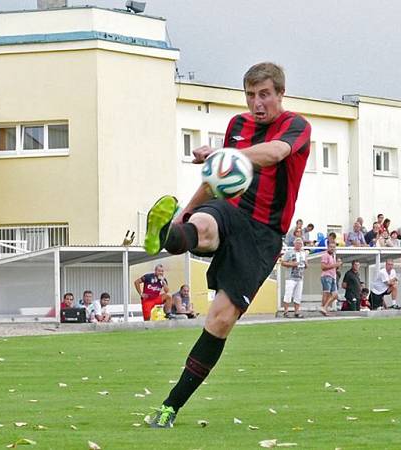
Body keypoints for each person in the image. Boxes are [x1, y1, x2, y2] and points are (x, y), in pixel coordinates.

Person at [142, 62, 311, 428]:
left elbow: (275, 153)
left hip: (263, 235)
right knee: (201, 224)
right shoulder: (237, 126)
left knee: (219, 321)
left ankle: (170, 406)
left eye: (264, 94)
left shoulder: (296, 126)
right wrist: (184, 212)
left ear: (280, 93)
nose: (257, 103)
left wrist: (224, 156)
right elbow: (218, 178)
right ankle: (168, 235)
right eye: (250, 95)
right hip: (231, 211)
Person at [281, 237, 308, 318]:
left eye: (300, 243)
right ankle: (286, 311)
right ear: (294, 244)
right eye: (297, 243)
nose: (299, 245)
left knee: (298, 295)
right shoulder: (289, 252)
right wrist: (292, 264)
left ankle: (296, 311)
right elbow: (283, 262)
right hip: (290, 277)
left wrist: (305, 264)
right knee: (288, 294)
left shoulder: (303, 253)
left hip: (300, 277)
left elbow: (306, 265)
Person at [319, 241, 342, 315]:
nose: (332, 248)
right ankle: (323, 308)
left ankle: (324, 308)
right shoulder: (325, 255)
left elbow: (334, 267)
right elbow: (323, 267)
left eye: (334, 247)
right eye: (331, 247)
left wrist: (337, 265)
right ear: (328, 247)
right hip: (326, 276)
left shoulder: (332, 256)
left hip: (332, 277)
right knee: (326, 293)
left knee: (335, 295)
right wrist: (335, 265)